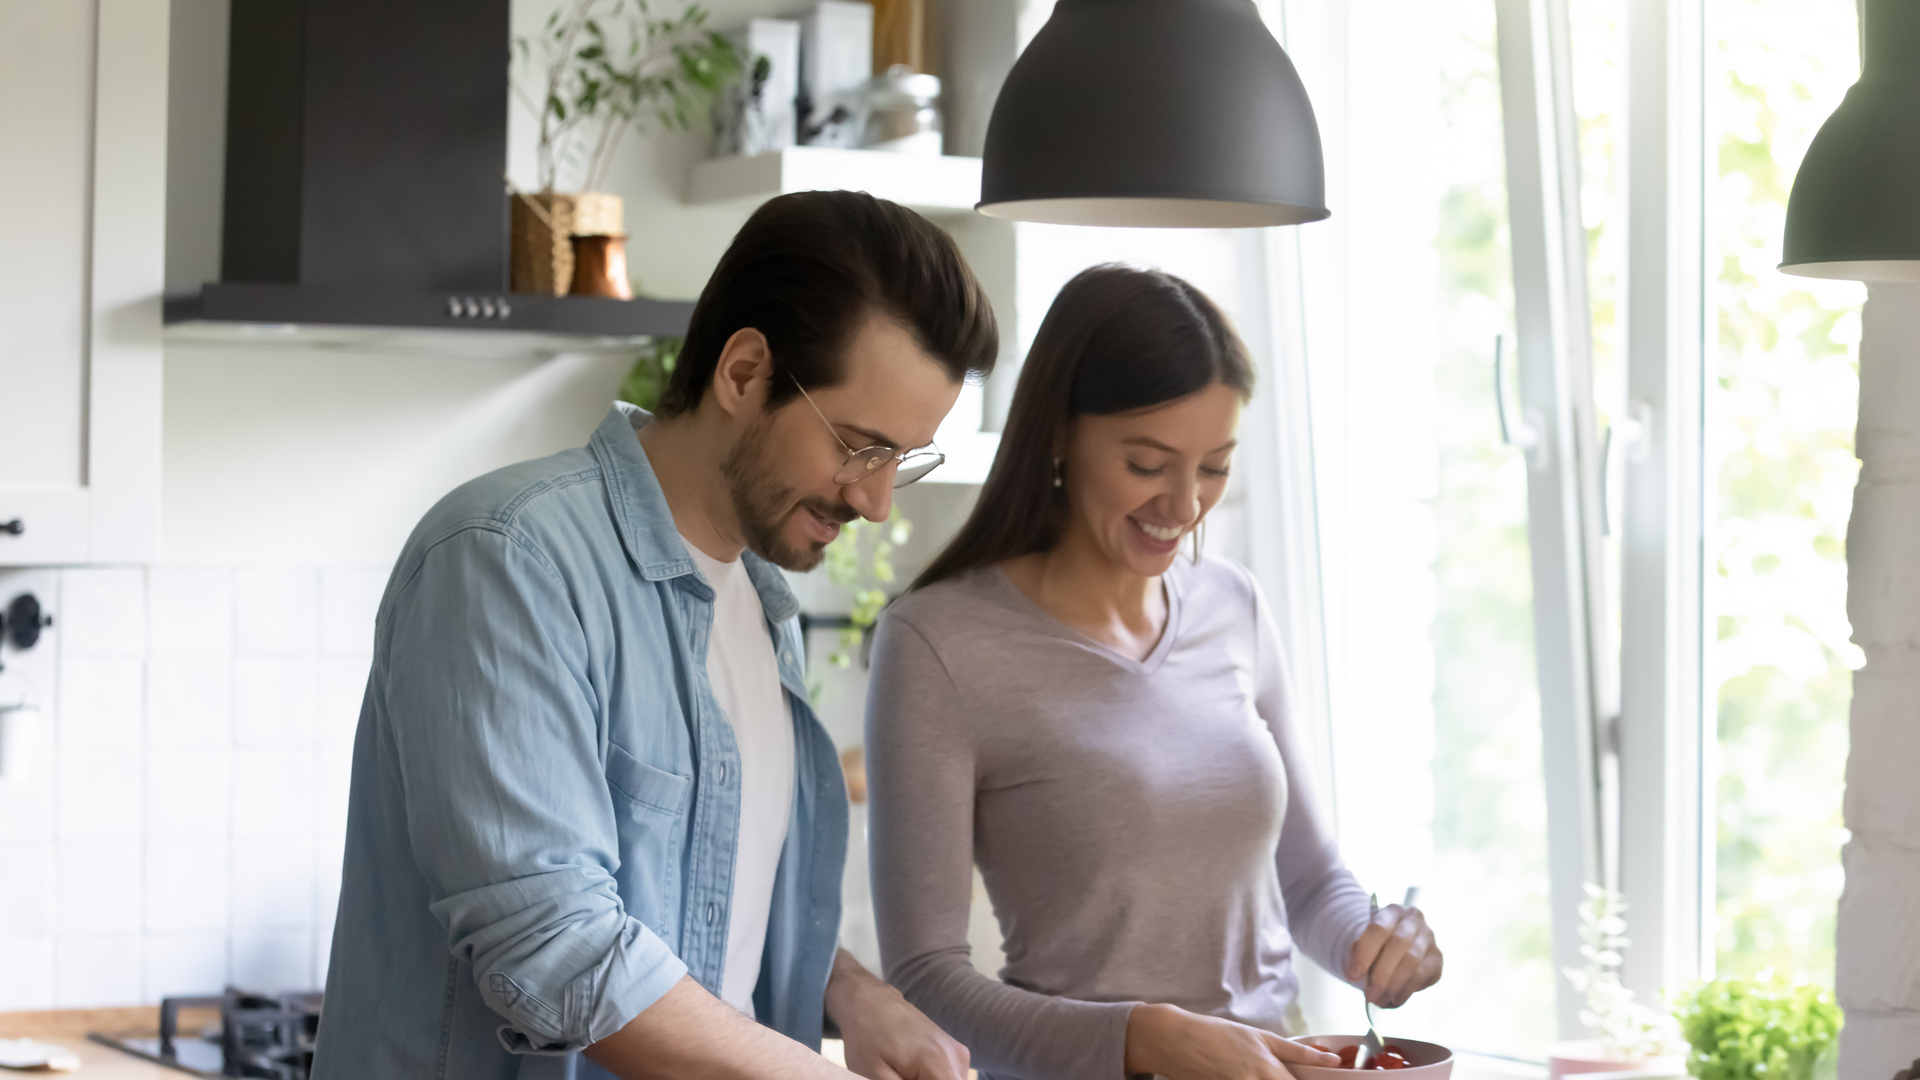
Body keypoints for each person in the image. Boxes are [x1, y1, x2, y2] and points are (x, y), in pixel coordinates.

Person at [313, 190, 998, 1080]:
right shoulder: (506, 559)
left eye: (901, 461)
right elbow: (558, 951)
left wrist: (853, 993)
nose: (874, 500)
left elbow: (706, 906)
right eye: (862, 448)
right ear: (744, 372)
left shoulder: (761, 605)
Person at [864, 265, 1444, 1080]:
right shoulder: (938, 642)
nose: (1184, 504)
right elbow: (925, 980)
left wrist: (1377, 940)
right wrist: (1135, 1037)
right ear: (1059, 433)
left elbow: (1309, 880)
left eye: (1214, 467)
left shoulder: (1232, 604)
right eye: (1147, 464)